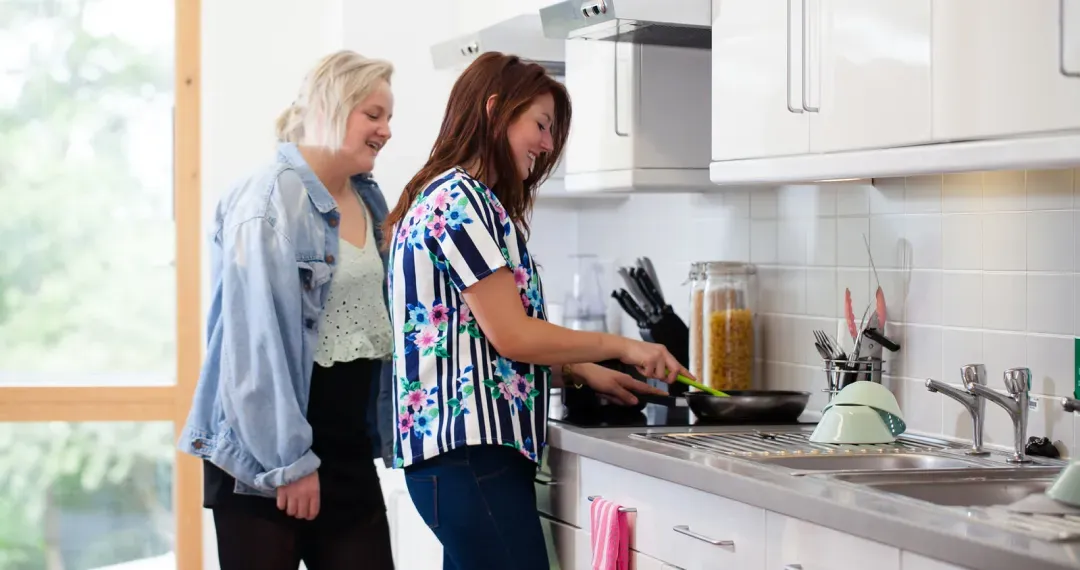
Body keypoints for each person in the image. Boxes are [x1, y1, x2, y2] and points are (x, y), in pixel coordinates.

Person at [382, 51, 692, 570]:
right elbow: (512, 335)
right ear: (495, 110)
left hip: (461, 458)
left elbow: (471, 337)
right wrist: (624, 346)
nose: (548, 145)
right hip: (471, 456)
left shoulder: (457, 198)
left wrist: (578, 368)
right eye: (541, 125)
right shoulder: (460, 201)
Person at [178, 50, 398, 570]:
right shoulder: (269, 201)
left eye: (389, 117)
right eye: (374, 114)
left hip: (345, 447)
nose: (386, 130)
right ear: (330, 107)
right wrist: (290, 463)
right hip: (266, 455)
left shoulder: (369, 199)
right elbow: (254, 347)